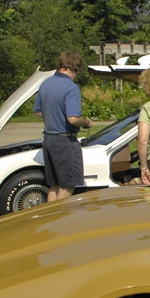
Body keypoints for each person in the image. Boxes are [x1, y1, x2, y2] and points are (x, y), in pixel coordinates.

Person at [33, 51, 91, 202]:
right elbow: (72, 119)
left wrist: (53, 116)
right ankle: (59, 220)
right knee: (68, 186)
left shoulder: (45, 84)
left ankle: (50, 220)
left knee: (54, 185)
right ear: (74, 68)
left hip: (49, 139)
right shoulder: (71, 87)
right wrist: (85, 122)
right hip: (65, 141)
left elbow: (38, 112)